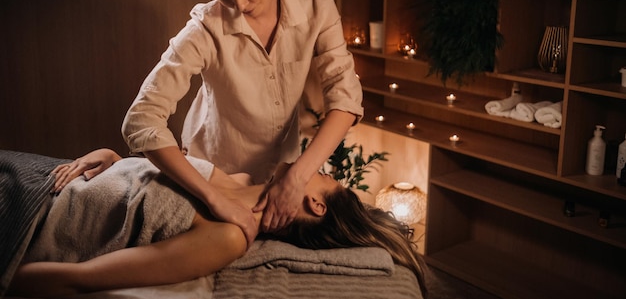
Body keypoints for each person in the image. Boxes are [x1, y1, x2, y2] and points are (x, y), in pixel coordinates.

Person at [119, 0, 363, 244]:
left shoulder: (317, 7)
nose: (240, 4)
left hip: (279, 175)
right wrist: (214, 198)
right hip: (211, 180)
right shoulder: (205, 28)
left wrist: (297, 177)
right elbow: (140, 120)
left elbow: (345, 99)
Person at [7, 148, 428, 298]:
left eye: (325, 175)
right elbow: (146, 187)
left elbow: (80, 279)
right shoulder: (232, 181)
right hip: (43, 174)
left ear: (316, 205)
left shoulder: (228, 238)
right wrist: (110, 157)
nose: (314, 164)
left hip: (25, 218)